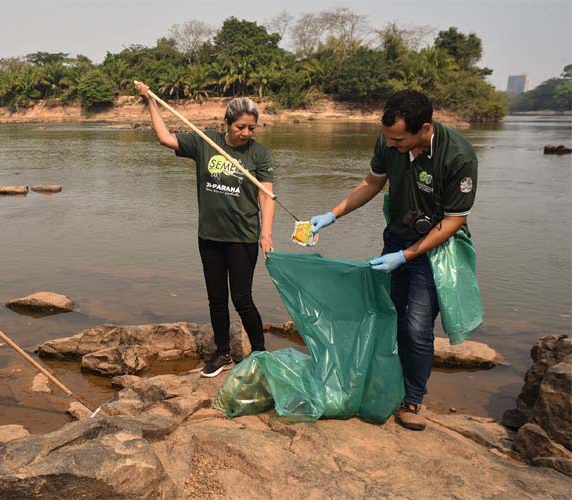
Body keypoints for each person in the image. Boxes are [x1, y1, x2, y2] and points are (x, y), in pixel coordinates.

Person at [309, 90, 478, 431]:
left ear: (425, 129)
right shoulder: (389, 141)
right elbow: (372, 183)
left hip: (432, 247)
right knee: (390, 314)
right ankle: (390, 381)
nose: (392, 144)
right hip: (396, 238)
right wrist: (333, 214)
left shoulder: (457, 156)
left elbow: (454, 220)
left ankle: (413, 399)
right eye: (388, 138)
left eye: (399, 139)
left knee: (416, 326)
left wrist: (407, 256)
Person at [134, 81, 276, 378]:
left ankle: (261, 354)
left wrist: (266, 234)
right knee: (216, 299)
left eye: (252, 128)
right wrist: (151, 101)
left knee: (242, 299)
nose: (246, 133)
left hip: (243, 238)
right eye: (241, 127)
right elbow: (164, 138)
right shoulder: (205, 141)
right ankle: (222, 352)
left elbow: (266, 195)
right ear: (227, 123)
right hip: (210, 236)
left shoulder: (259, 155)